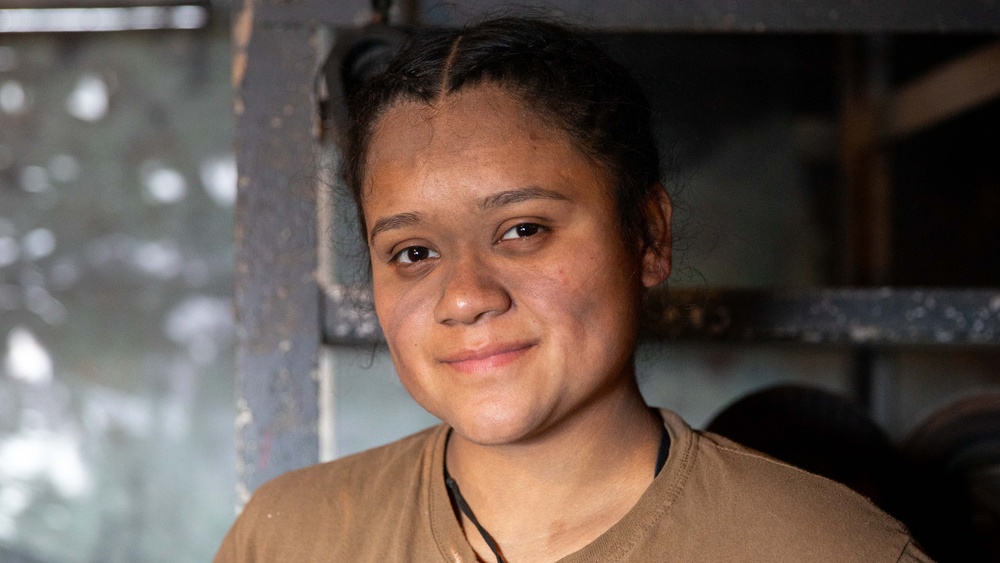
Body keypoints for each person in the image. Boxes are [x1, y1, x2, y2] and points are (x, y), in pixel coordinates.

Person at [215, 17, 929, 562]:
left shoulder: (826, 548)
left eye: (523, 230)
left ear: (648, 235)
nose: (465, 296)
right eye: (414, 250)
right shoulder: (292, 537)